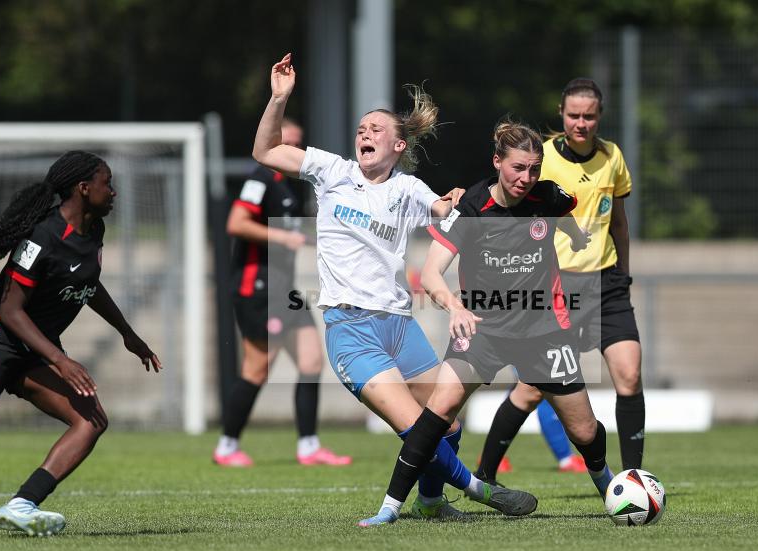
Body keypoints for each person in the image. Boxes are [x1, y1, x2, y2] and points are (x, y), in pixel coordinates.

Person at [251, 54, 537, 525]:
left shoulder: (408, 188)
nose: (364, 134)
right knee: (415, 427)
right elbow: (266, 151)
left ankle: (430, 502)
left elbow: (444, 211)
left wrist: (460, 200)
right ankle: (480, 489)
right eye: (361, 128)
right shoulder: (332, 171)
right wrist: (279, 98)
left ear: (398, 144)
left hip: (400, 327)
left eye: (375, 129)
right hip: (352, 328)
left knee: (448, 426)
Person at [360, 119, 615, 526]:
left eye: (534, 169)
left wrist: (576, 236)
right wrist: (455, 309)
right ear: (497, 162)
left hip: (545, 330)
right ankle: (390, 507)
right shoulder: (471, 208)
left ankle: (609, 484)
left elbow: (561, 213)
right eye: (518, 168)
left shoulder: (547, 196)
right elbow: (429, 275)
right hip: (483, 330)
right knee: (438, 409)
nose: (526, 178)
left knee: (584, 431)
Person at [475, 78, 644, 484]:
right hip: (558, 285)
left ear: (599, 116)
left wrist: (623, 272)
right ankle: (485, 474)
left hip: (606, 282)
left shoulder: (612, 157)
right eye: (573, 115)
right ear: (561, 114)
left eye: (589, 116)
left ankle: (634, 478)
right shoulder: (541, 158)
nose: (581, 123)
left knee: (630, 374)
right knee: (532, 390)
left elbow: (618, 221)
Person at [0, 151, 161, 536]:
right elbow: (11, 310)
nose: (113, 192)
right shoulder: (42, 236)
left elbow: (88, 284)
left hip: (35, 348)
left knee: (90, 420)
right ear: (84, 188)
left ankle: (22, 504)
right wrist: (60, 361)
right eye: (107, 184)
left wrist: (126, 332)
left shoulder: (92, 232)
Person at [213, 118, 351, 468]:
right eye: (288, 140)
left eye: (299, 142)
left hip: (283, 289)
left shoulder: (290, 185)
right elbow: (237, 224)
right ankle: (227, 446)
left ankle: (308, 446)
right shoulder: (260, 179)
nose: (296, 148)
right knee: (258, 368)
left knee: (311, 361)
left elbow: (291, 232)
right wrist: (282, 237)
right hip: (257, 287)